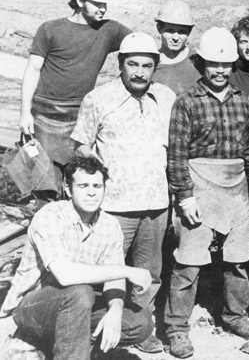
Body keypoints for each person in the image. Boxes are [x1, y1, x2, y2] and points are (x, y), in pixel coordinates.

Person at [70, 32, 175, 354]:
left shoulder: (166, 97)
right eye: (133, 64)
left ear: (155, 67)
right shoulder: (98, 99)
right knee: (105, 273)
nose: (140, 72)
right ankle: (88, 329)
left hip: (156, 202)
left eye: (147, 65)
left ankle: (139, 329)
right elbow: (81, 146)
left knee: (149, 273)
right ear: (121, 64)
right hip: (114, 206)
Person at [164, 28, 249, 359]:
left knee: (237, 260)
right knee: (189, 262)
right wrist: (185, 196)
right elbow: (176, 156)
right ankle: (177, 327)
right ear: (201, 63)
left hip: (236, 188)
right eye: (213, 64)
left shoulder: (242, 103)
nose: (220, 71)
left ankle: (235, 315)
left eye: (226, 65)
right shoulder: (186, 104)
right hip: (199, 187)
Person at [0, 156, 154, 360]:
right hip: (32, 309)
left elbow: (113, 279)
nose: (91, 192)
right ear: (68, 188)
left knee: (140, 322)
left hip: (76, 311)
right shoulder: (50, 216)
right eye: (83, 186)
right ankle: (51, 347)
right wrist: (128, 271)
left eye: (97, 186)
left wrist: (115, 310)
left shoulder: (109, 225)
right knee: (80, 292)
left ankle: (69, 345)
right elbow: (65, 275)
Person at [18, 0, 131, 196]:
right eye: (97, 3)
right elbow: (33, 69)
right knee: (45, 185)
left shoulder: (110, 30)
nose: (103, 9)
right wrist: (24, 113)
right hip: (44, 115)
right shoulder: (50, 29)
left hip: (82, 116)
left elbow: (140, 49)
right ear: (79, 1)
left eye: (105, 4)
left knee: (81, 184)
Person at [152, 0, 201, 96]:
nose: (175, 38)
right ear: (159, 28)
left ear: (189, 32)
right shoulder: (150, 63)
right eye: (170, 31)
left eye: (182, 32)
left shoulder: (198, 62)